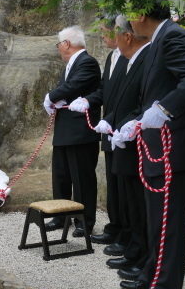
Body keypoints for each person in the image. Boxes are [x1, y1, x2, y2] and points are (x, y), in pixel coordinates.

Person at [115, 0, 185, 289]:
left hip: (174, 148)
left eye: (131, 14)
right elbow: (154, 93)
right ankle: (151, 278)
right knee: (158, 222)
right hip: (159, 146)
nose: (131, 22)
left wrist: (164, 110)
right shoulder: (161, 39)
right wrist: (136, 122)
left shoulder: (173, 36)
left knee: (168, 225)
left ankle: (164, 284)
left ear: (141, 15)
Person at [69, 16, 130, 255]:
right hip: (108, 127)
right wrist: (88, 100)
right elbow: (104, 90)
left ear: (120, 32)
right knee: (112, 179)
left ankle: (127, 232)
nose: (102, 36)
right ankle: (114, 226)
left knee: (124, 183)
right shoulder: (111, 57)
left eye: (105, 31)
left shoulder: (129, 57)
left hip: (123, 126)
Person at [100, 15, 150, 281]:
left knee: (140, 205)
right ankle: (135, 250)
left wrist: (132, 124)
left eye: (114, 35)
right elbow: (118, 99)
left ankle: (142, 254)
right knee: (130, 199)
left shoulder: (145, 58)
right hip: (121, 137)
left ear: (127, 36)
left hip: (139, 144)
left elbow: (144, 100)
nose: (113, 41)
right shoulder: (126, 59)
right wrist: (109, 120)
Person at [43, 25, 101, 236]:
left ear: (67, 44)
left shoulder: (87, 62)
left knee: (82, 179)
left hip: (81, 132)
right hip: (64, 129)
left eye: (59, 44)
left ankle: (84, 222)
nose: (59, 48)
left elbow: (73, 86)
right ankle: (60, 216)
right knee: (61, 176)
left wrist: (50, 96)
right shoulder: (69, 65)